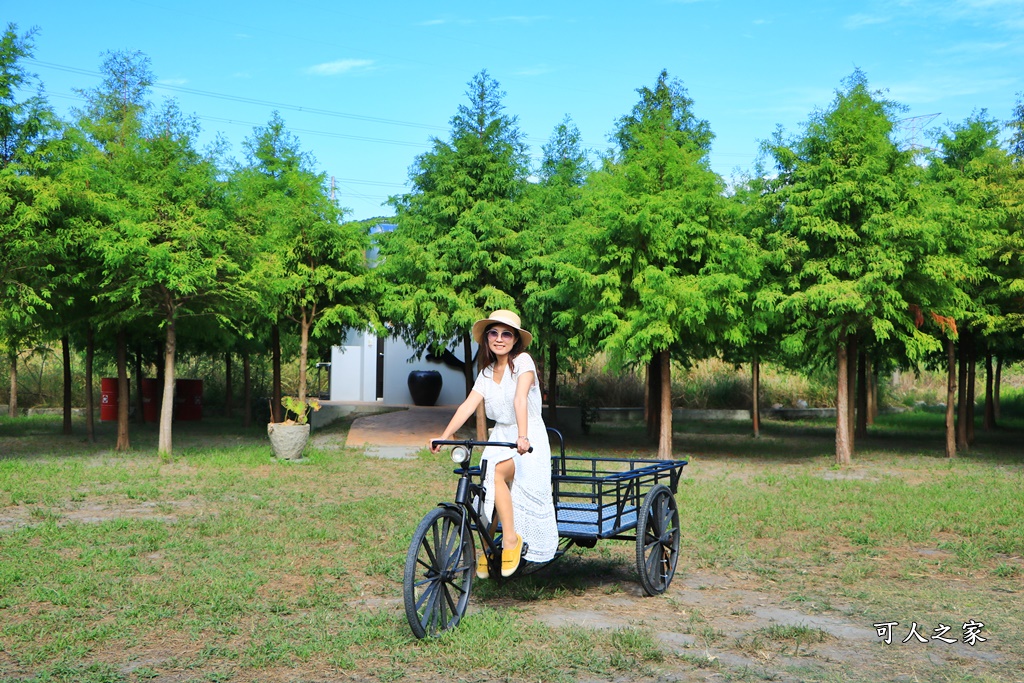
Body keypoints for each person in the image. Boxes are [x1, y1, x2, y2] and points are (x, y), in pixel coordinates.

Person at [430, 309, 558, 578]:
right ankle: (489, 550)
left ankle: (510, 541)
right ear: (487, 338)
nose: (499, 339)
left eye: (506, 334)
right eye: (494, 333)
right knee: (488, 489)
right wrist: (444, 434)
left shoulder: (524, 362)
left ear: (515, 340)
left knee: (498, 473)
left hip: (529, 438)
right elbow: (468, 405)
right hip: (500, 438)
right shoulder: (487, 372)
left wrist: (523, 436)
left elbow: (520, 399)